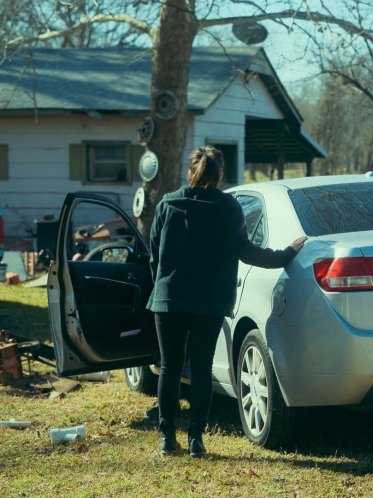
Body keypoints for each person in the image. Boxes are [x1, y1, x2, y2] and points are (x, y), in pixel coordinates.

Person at [146, 146, 306, 457]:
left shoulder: (168, 203)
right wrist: (287, 254)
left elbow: (153, 253)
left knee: (169, 367)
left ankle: (167, 438)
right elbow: (247, 251)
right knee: (202, 369)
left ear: (191, 171)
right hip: (209, 301)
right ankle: (195, 440)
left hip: (169, 299)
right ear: (220, 174)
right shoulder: (228, 208)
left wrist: (162, 285)